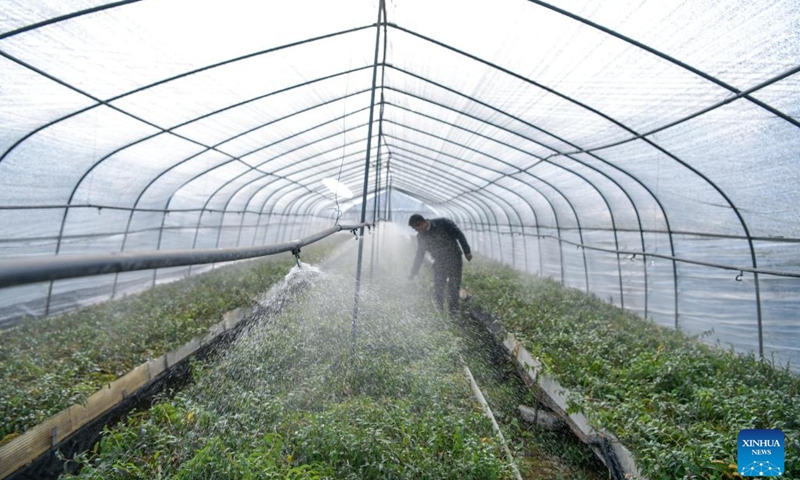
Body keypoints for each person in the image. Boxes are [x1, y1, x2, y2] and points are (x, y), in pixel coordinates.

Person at [408, 214, 473, 316]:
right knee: (439, 285)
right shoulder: (421, 236)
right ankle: (439, 310)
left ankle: (453, 312)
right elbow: (420, 254)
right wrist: (414, 271)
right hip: (439, 261)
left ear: (423, 222)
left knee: (454, 285)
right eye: (414, 229)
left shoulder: (443, 223)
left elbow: (459, 235)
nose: (417, 231)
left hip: (454, 258)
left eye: (417, 227)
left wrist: (467, 251)